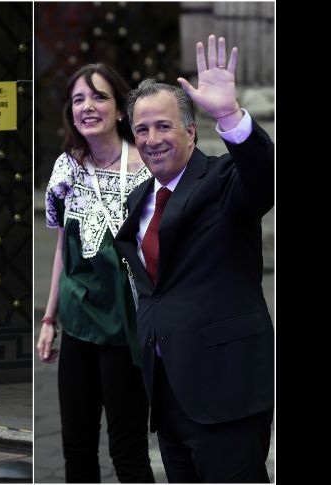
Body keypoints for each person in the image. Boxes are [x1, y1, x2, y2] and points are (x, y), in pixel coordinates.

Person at [113, 35, 274, 483]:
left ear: (190, 130)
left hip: (228, 393)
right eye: (141, 130)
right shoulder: (139, 200)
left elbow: (265, 178)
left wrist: (230, 116)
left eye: (163, 126)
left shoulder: (224, 178)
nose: (151, 139)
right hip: (168, 394)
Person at [37, 64, 155, 483]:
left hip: (127, 325)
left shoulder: (148, 167)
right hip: (79, 325)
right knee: (77, 451)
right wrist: (49, 319)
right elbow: (62, 250)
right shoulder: (67, 166)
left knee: (128, 451)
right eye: (78, 100)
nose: (87, 107)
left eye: (99, 97)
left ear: (121, 110)